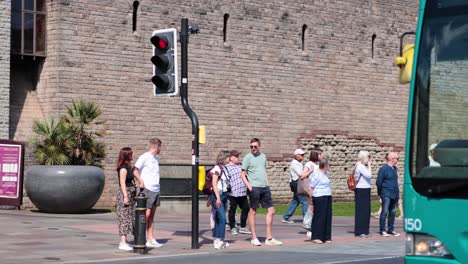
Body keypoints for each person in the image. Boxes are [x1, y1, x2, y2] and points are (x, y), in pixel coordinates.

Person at [241, 138, 283, 246]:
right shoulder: (248, 158)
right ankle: (253, 237)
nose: (253, 148)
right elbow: (242, 174)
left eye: (255, 146)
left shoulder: (263, 156)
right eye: (251, 147)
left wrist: (267, 183)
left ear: (259, 146)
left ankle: (269, 238)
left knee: (271, 210)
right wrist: (249, 186)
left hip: (264, 187)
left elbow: (264, 171)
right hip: (254, 187)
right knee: (253, 211)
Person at [133, 138, 164, 248]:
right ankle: (140, 236)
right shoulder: (144, 157)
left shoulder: (155, 159)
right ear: (157, 147)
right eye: (160, 147)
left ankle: (150, 238)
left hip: (156, 189)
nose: (161, 149)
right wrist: (141, 181)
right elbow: (135, 170)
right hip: (147, 189)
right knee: (145, 214)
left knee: (151, 216)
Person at [116, 147, 144, 251]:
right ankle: (122, 242)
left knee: (131, 216)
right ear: (127, 155)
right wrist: (125, 197)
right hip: (125, 193)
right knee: (124, 217)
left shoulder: (129, 167)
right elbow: (122, 183)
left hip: (131, 193)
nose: (133, 155)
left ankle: (127, 240)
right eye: (131, 154)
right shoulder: (123, 168)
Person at [225, 150, 251, 235]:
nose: (238, 158)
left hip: (242, 193)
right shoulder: (227, 167)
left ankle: (243, 227)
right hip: (232, 193)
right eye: (236, 156)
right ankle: (232, 227)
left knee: (246, 208)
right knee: (232, 210)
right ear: (231, 158)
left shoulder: (241, 166)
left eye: (238, 156)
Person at [376, 152, 401, 237]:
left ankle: (391, 229)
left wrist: (398, 195)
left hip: (394, 193)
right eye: (397, 158)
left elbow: (396, 183)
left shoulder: (395, 169)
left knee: (393, 212)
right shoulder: (384, 168)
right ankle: (382, 230)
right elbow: (379, 182)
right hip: (386, 193)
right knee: (384, 211)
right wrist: (380, 193)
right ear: (391, 159)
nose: (397, 160)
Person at [309, 159, 333, 244]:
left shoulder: (325, 174)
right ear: (325, 166)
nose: (329, 167)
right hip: (319, 196)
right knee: (319, 217)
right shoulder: (316, 174)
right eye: (328, 165)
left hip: (327, 195)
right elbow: (311, 188)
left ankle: (326, 236)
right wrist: (311, 201)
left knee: (327, 216)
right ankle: (316, 236)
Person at [210, 150, 231, 249]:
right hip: (218, 195)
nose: (229, 159)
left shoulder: (225, 168)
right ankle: (220, 239)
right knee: (222, 218)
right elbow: (214, 184)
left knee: (219, 218)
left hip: (224, 195)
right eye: (228, 157)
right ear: (223, 158)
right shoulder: (217, 168)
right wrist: (218, 198)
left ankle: (217, 239)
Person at [282, 149, 307, 224]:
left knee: (295, 201)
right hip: (297, 184)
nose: (303, 156)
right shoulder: (295, 163)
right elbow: (300, 174)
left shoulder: (298, 163)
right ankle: (307, 220)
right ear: (297, 155)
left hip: (297, 184)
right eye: (301, 154)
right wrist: (309, 172)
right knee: (304, 201)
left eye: (303, 154)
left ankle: (285, 217)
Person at [353, 150, 372, 238]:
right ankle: (361, 231)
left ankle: (362, 230)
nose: (369, 159)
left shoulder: (358, 165)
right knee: (363, 211)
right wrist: (369, 165)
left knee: (364, 210)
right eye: (368, 157)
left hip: (363, 189)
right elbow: (369, 175)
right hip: (362, 189)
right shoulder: (360, 166)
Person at [302, 149, 322, 230]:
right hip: (311, 188)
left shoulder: (320, 164)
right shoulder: (309, 164)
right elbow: (302, 176)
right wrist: (310, 170)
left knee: (318, 206)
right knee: (311, 205)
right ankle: (307, 223)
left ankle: (315, 224)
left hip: (319, 188)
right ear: (315, 155)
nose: (321, 156)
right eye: (319, 154)